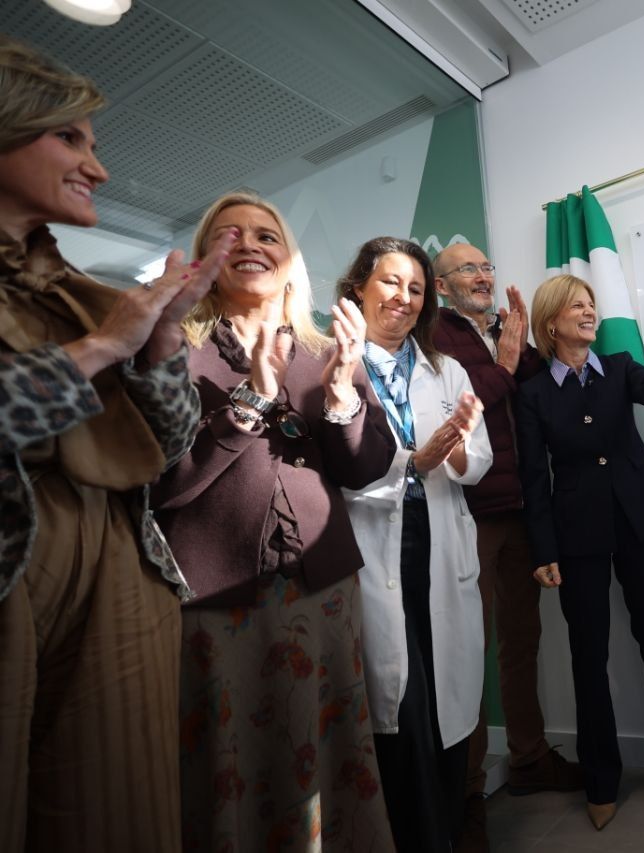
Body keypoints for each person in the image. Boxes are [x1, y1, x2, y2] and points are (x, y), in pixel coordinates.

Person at [0, 37, 234, 852]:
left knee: (118, 813)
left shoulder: (81, 293)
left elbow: (165, 447)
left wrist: (162, 338)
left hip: (115, 576)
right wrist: (101, 348)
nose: (97, 169)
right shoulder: (97, 318)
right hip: (16, 593)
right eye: (71, 138)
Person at [151, 193, 397, 850]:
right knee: (235, 757)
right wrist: (250, 398)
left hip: (322, 591)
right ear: (207, 260)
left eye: (267, 234)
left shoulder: (326, 350)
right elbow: (160, 486)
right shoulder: (176, 351)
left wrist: (344, 397)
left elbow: (368, 465)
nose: (253, 243)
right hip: (218, 598)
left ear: (290, 260)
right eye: (231, 235)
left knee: (329, 743)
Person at [516, 274, 644, 830]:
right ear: (552, 322)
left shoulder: (620, 366)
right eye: (577, 305)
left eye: (591, 303)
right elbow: (533, 478)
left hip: (640, 520)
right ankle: (601, 781)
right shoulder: (533, 394)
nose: (589, 311)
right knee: (587, 658)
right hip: (577, 537)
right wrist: (543, 549)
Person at [337, 236, 492, 852]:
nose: (403, 298)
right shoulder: (335, 364)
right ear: (358, 290)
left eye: (416, 288)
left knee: (445, 710)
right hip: (376, 552)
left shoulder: (445, 369)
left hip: (441, 546)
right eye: (390, 283)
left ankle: (447, 834)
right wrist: (409, 464)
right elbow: (337, 471)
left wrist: (456, 451)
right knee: (400, 715)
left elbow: (476, 461)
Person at [432, 241, 582, 850]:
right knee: (468, 657)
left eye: (487, 266)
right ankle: (466, 798)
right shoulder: (435, 337)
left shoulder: (502, 329)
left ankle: (528, 761)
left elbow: (528, 394)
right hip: (469, 518)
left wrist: (521, 351)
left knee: (523, 643)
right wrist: (505, 359)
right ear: (441, 286)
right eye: (468, 268)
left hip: (521, 509)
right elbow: (460, 411)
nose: (483, 276)